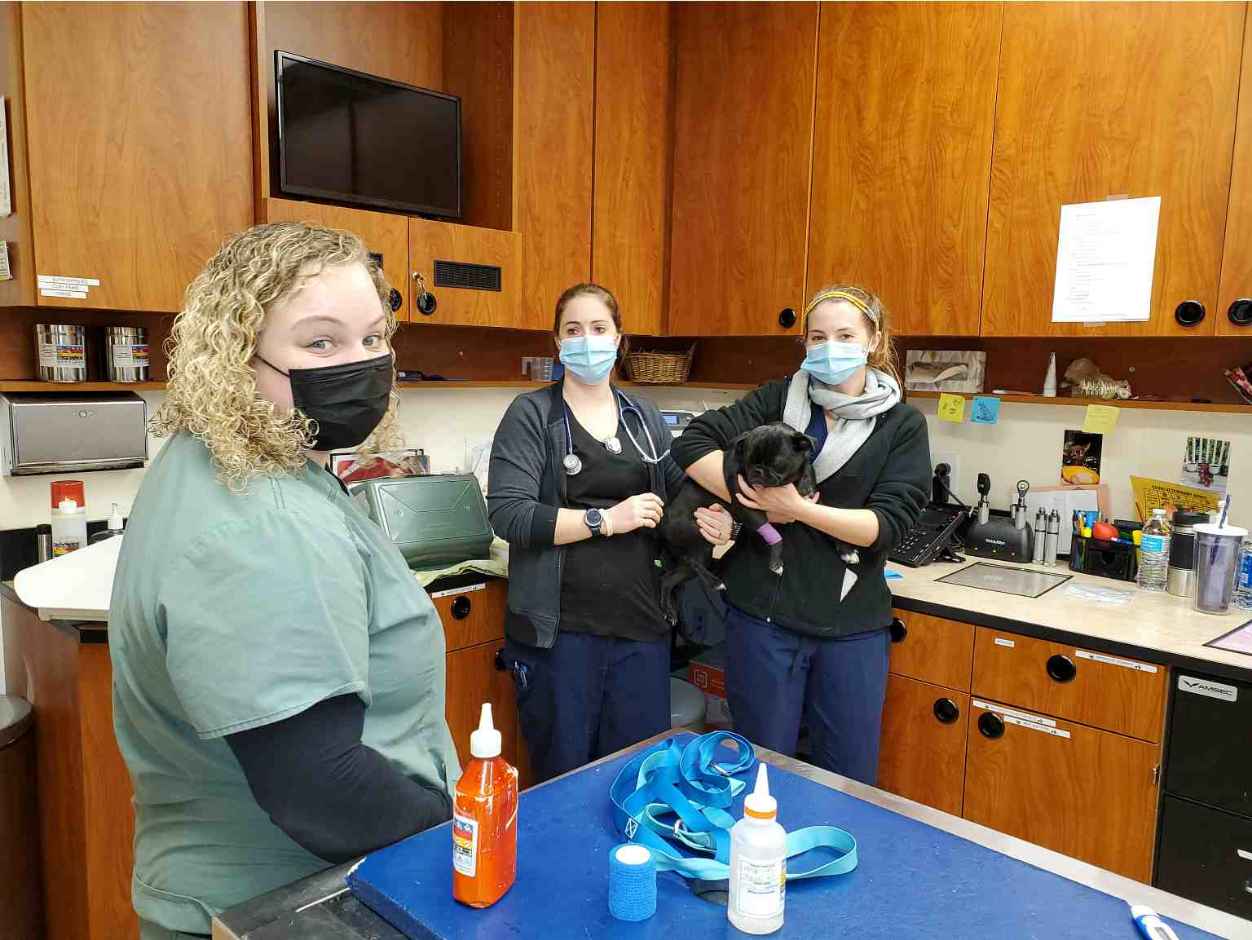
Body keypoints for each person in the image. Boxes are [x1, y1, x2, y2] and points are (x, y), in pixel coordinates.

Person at [110, 222, 460, 939]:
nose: (360, 365)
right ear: (239, 357)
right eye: (320, 342)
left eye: (373, 338)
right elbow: (322, 788)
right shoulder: (260, 519)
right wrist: (467, 843)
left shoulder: (229, 458)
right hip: (282, 901)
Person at [671, 284, 930, 784]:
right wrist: (748, 496)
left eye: (845, 335)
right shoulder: (777, 399)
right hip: (763, 619)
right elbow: (693, 443)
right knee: (762, 776)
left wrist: (795, 511)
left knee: (848, 779)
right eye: (817, 336)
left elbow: (886, 527)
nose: (829, 347)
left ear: (873, 339)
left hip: (850, 627)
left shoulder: (902, 425)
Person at [488, 283, 734, 782]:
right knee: (564, 780)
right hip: (562, 637)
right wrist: (604, 521)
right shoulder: (532, 414)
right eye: (573, 330)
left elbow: (677, 492)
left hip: (642, 628)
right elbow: (510, 514)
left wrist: (719, 520)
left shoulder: (642, 416)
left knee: (635, 780)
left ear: (619, 338)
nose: (586, 340)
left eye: (598, 329)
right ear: (556, 342)